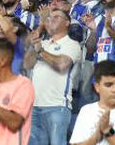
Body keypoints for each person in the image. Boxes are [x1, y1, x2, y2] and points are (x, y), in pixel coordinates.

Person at [26, 8, 81, 145]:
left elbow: (62, 65)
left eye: (56, 17)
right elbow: (27, 64)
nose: (51, 20)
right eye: (49, 18)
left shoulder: (72, 44)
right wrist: (34, 45)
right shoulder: (43, 44)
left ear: (67, 22)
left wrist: (41, 52)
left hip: (57, 106)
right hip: (35, 105)